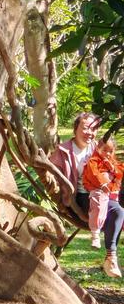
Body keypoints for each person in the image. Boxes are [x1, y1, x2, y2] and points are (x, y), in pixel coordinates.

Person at [81, 136, 124, 277]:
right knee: (102, 205)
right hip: (97, 191)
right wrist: (103, 184)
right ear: (97, 148)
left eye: (110, 151)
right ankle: (96, 236)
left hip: (112, 195)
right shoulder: (94, 161)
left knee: (119, 211)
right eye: (104, 150)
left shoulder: (113, 163)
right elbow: (93, 174)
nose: (107, 153)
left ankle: (111, 258)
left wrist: (113, 169)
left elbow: (119, 175)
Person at [50, 111, 99, 210]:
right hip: (78, 197)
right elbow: (52, 177)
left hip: (99, 193)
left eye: (93, 129)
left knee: (118, 209)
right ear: (75, 129)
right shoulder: (63, 152)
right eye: (85, 128)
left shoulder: (97, 148)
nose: (90, 132)